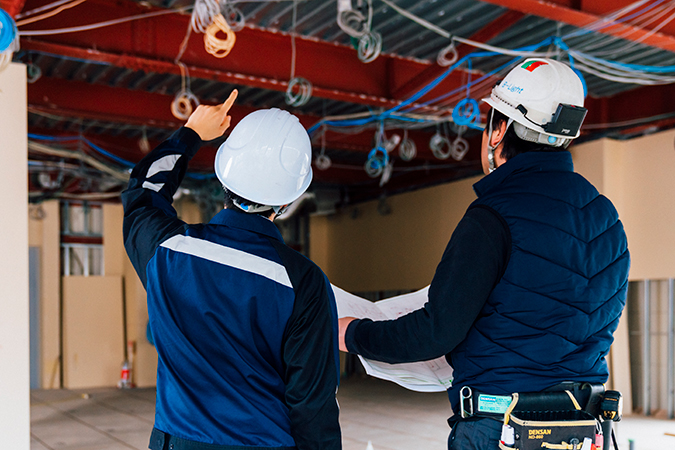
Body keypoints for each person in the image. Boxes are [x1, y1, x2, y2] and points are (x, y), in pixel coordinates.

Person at [338, 58, 630, 450]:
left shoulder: (493, 216)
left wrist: (352, 333)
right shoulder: (606, 217)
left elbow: (435, 333)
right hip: (583, 428)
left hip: (501, 428)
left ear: (500, 130)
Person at [122, 90, 341, 450]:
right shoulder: (303, 281)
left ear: (223, 178)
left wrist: (191, 133)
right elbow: (312, 405)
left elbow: (143, 192)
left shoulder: (167, 250)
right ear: (288, 200)